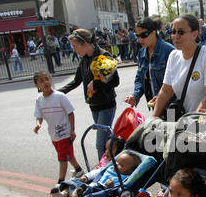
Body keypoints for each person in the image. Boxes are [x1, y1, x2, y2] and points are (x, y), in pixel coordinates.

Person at [58, 28, 120, 160]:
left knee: (100, 143)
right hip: (94, 106)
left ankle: (102, 172)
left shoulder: (103, 56)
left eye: (75, 46)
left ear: (84, 44)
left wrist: (96, 83)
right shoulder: (84, 59)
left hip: (106, 106)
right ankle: (113, 164)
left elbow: (115, 81)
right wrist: (57, 92)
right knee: (105, 140)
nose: (74, 50)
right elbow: (76, 81)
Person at [151, 14, 206, 119]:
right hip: (186, 120)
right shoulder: (173, 56)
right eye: (173, 32)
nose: (176, 36)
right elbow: (166, 91)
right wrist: (153, 119)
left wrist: (194, 121)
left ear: (195, 34)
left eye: (181, 32)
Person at [33, 70, 84, 187]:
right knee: (66, 154)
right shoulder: (39, 100)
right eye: (41, 81)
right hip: (53, 135)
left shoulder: (60, 96)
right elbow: (39, 115)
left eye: (47, 79)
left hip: (65, 133)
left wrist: (72, 130)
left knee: (62, 157)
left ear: (51, 80)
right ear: (37, 85)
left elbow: (70, 113)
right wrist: (38, 124)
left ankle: (61, 182)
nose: (45, 82)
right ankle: (79, 170)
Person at [50, 151, 141, 197]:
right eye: (116, 162)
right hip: (92, 185)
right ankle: (62, 195)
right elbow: (96, 172)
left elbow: (120, 190)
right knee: (73, 182)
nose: (116, 165)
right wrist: (86, 176)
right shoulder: (108, 169)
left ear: (130, 171)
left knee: (85, 189)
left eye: (121, 165)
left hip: (102, 192)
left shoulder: (125, 178)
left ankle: (76, 195)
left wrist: (111, 186)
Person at [124, 18, 175, 109]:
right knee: (156, 123)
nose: (140, 39)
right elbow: (140, 78)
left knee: (170, 123)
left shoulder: (169, 51)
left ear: (154, 32)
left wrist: (161, 97)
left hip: (171, 106)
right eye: (137, 36)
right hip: (155, 105)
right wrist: (135, 95)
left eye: (144, 35)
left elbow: (176, 82)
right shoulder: (142, 53)